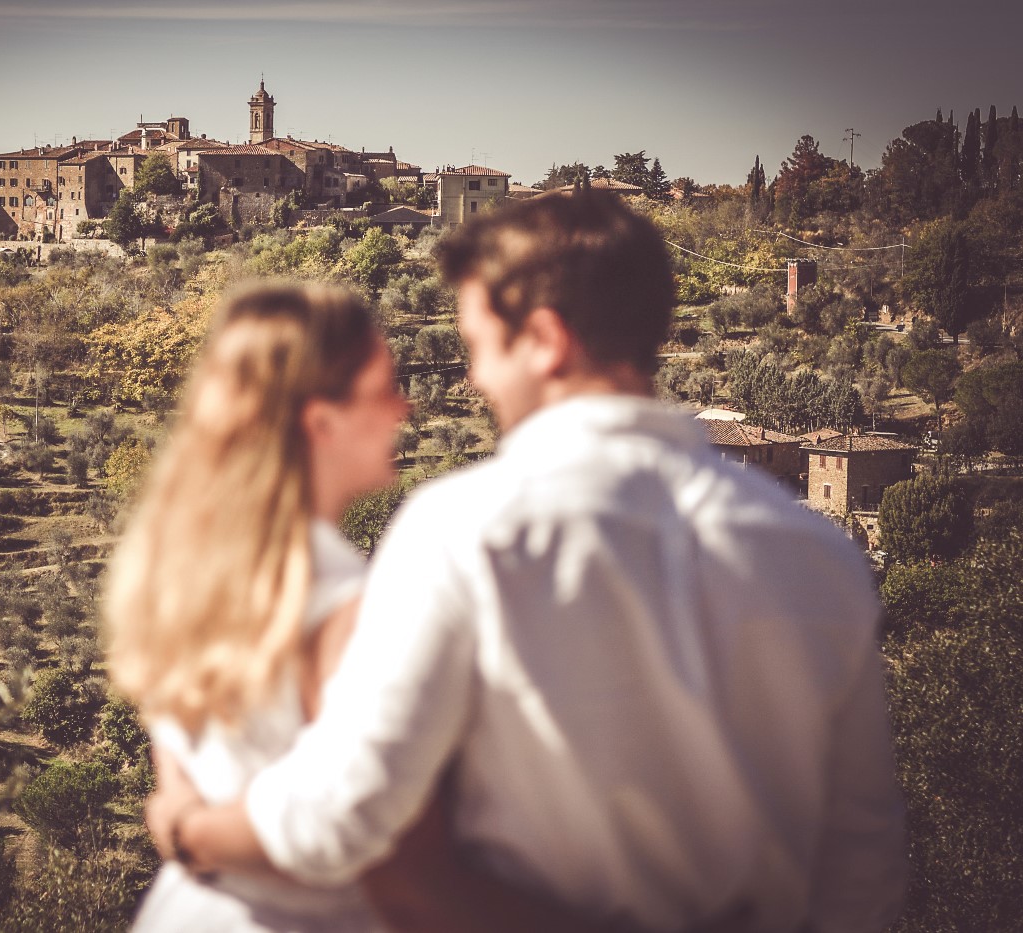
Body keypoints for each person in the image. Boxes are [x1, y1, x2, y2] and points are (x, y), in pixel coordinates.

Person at [147, 192, 909, 932]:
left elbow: (344, 813)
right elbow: (864, 871)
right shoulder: (818, 554)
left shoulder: (463, 532)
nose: (473, 379)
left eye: (479, 346)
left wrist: (190, 830)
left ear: (545, 339)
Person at [105, 283, 408, 932]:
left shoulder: (182, 561)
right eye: (385, 388)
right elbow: (345, 827)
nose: (403, 409)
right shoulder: (343, 601)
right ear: (320, 421)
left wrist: (184, 823)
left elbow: (172, 748)